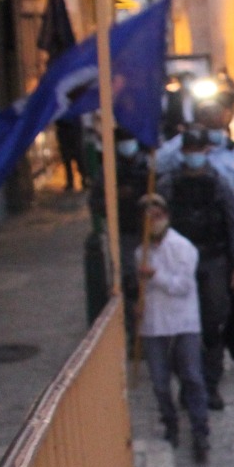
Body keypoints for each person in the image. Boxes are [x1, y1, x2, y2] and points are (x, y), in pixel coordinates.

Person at [166, 127, 234, 408]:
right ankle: (189, 384)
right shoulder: (169, 185)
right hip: (179, 265)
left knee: (213, 325)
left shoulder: (219, 184)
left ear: (206, 152)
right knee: (181, 328)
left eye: (198, 152)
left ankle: (210, 384)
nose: (194, 157)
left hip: (213, 262)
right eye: (189, 152)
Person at [136, 194, 211, 464]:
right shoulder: (141, 252)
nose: (153, 222)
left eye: (157, 216)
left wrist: (156, 276)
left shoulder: (182, 248)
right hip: (154, 325)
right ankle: (170, 423)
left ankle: (200, 429)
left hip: (183, 322)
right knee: (159, 381)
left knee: (191, 376)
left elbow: (182, 286)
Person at [89, 128, 152, 340]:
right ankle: (134, 332)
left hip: (150, 234)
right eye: (123, 141)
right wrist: (116, 196)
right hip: (124, 234)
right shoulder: (108, 170)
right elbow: (95, 203)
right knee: (130, 283)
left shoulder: (149, 166)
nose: (128, 145)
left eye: (130, 139)